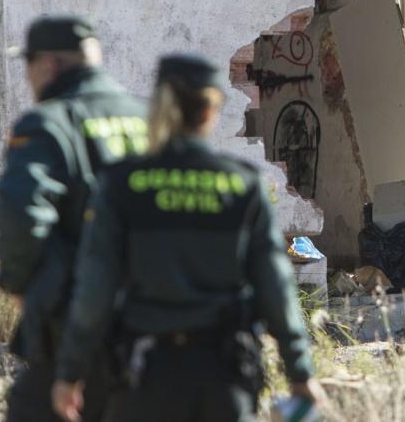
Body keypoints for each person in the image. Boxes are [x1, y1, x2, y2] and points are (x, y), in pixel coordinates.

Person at [50, 54, 325, 422]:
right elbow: (275, 287)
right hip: (224, 379)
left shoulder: (122, 186)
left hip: (146, 378)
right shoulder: (242, 185)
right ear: (211, 110)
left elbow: (93, 290)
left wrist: (70, 372)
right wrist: (300, 372)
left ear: (160, 107)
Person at [0, 15, 149, 422]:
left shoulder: (48, 123)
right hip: (155, 321)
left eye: (28, 66)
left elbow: (21, 210)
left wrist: (21, 282)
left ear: (47, 66)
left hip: (78, 323)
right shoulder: (147, 119)